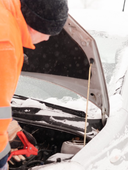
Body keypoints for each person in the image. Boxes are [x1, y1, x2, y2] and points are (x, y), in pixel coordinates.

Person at [0, 0, 68, 169]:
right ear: (37, 22)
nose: (47, 39)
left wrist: (11, 125)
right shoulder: (6, 43)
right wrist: (2, 157)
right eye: (48, 32)